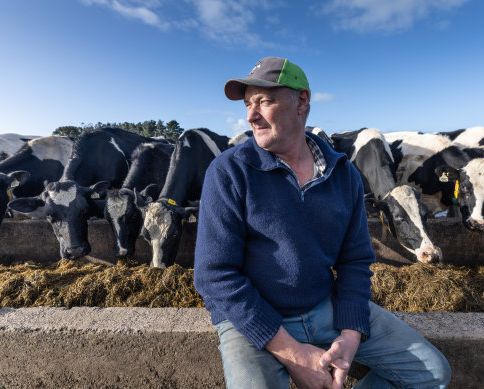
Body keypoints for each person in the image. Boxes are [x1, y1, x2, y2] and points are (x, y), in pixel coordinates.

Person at [193, 56, 451, 389]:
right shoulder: (229, 172)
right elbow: (214, 275)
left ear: (301, 101)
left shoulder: (343, 175)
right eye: (247, 104)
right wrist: (293, 354)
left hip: (322, 305)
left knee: (431, 372)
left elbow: (355, 260)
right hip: (251, 315)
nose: (250, 116)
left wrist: (350, 333)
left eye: (264, 101)